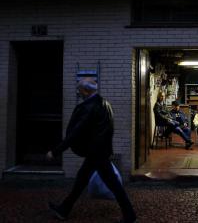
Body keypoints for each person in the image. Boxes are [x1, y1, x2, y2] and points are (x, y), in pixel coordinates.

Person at [46, 78, 137, 223]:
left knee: (112, 184)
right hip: (99, 152)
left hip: (96, 153)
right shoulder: (105, 104)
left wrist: (56, 151)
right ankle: (64, 209)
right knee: (82, 181)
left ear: (86, 91)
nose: (78, 92)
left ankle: (130, 215)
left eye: (80, 89)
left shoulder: (89, 107)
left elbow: (75, 132)